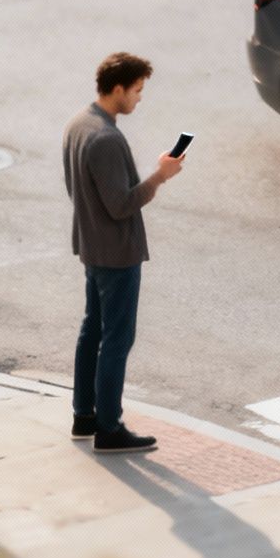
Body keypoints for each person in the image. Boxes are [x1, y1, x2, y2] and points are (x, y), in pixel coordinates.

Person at [62, 52, 182, 453]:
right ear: (117, 89)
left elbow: (78, 190)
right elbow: (121, 205)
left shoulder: (78, 123)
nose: (139, 99)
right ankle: (109, 428)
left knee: (91, 331)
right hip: (116, 254)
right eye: (136, 91)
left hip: (92, 247)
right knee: (117, 339)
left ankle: (85, 415)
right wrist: (160, 177)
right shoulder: (106, 138)